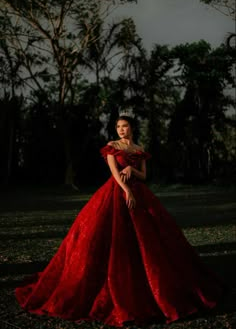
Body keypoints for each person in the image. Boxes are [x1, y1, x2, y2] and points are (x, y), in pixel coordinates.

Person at [15, 112, 224, 327]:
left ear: (132, 128)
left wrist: (131, 169)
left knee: (148, 241)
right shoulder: (112, 146)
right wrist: (127, 191)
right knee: (105, 237)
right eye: (118, 126)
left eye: (124, 126)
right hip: (116, 194)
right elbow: (114, 172)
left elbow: (144, 176)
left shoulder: (139, 149)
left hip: (140, 194)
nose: (121, 129)